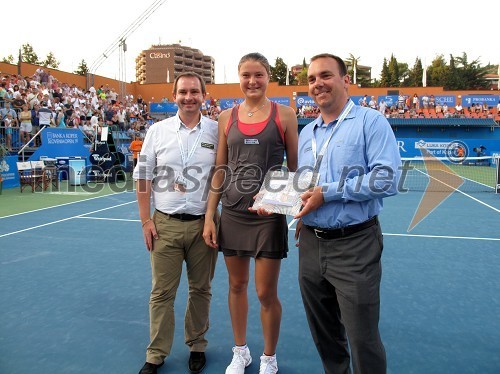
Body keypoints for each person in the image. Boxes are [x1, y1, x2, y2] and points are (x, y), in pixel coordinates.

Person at [294, 53, 401, 374]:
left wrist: (327, 193)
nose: (317, 84)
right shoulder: (306, 133)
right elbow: (305, 184)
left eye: (325, 76)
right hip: (311, 244)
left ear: (345, 80)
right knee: (325, 335)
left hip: (355, 245)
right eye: (312, 79)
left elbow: (387, 178)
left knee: (362, 338)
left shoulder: (371, 122)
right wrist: (298, 208)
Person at [202, 52, 298, 374]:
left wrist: (289, 207)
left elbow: (295, 171)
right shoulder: (226, 118)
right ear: (239, 78)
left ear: (268, 76)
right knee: (237, 285)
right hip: (231, 213)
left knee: (264, 292)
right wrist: (209, 216)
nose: (252, 81)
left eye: (258, 74)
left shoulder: (285, 115)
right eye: (246, 75)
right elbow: (220, 168)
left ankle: (269, 357)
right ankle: (240, 351)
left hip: (268, 218)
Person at [134, 72, 219, 374]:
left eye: (194, 92)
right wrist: (145, 220)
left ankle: (197, 344)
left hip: (203, 225)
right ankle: (156, 353)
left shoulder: (216, 131)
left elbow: (220, 178)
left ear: (204, 95)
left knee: (201, 289)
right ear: (173, 97)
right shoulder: (157, 132)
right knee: (161, 293)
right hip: (165, 224)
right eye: (183, 92)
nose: (189, 97)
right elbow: (143, 177)